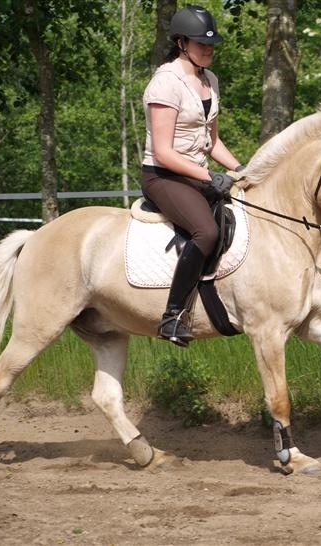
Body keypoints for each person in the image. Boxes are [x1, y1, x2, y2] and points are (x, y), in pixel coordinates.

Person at [141, 5, 243, 347]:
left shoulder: (209, 81)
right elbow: (164, 152)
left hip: (197, 175)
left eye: (211, 43)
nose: (208, 48)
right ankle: (172, 317)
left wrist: (242, 171)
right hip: (163, 176)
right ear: (182, 42)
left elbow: (212, 142)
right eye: (201, 43)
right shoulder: (165, 83)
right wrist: (207, 176)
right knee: (206, 231)